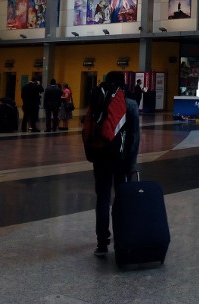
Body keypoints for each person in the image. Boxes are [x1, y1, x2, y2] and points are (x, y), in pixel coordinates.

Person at [89, 71, 140, 257]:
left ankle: (102, 244)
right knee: (121, 200)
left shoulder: (99, 100)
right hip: (122, 160)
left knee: (102, 199)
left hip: (101, 158)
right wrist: (132, 163)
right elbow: (134, 137)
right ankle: (121, 240)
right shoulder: (131, 104)